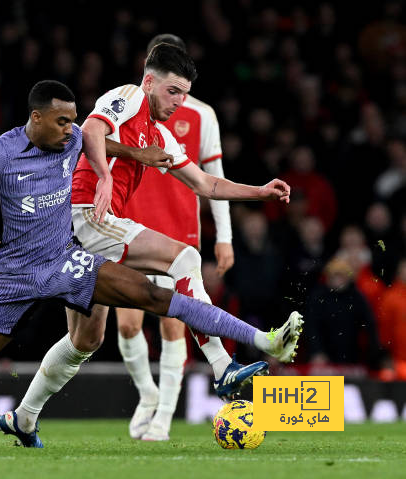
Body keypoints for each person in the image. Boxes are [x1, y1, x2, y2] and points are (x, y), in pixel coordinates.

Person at [0, 80, 302, 450]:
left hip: (65, 260)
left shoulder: (72, 136)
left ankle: (260, 341)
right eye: (61, 121)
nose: (70, 129)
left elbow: (100, 141)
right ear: (36, 118)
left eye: (73, 120)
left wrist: (138, 155)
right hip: (14, 276)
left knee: (154, 294)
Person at [6, 44, 301, 446]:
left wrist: (260, 193)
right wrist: (105, 177)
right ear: (149, 82)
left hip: (88, 229)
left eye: (184, 94)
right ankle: (221, 364)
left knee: (85, 341)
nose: (179, 102)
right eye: (173, 91)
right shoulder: (126, 97)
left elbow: (204, 183)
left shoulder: (159, 134)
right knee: (185, 258)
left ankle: (24, 417)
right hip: (82, 214)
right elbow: (90, 130)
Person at [114, 33, 258, 441]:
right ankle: (147, 394)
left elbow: (214, 179)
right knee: (127, 326)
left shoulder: (202, 116)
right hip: (131, 224)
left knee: (174, 326)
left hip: (178, 228)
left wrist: (224, 237)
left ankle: (163, 418)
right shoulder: (130, 109)